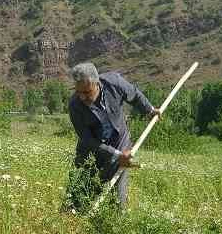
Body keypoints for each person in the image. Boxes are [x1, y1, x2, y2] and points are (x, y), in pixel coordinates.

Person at [66, 62, 160, 211]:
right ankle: (73, 215)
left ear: (96, 84)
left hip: (119, 141)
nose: (82, 97)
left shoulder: (114, 82)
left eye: (86, 92)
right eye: (78, 92)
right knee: (77, 193)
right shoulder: (75, 105)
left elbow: (134, 94)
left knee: (117, 200)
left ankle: (114, 218)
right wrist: (116, 154)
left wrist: (149, 110)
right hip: (92, 148)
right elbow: (87, 139)